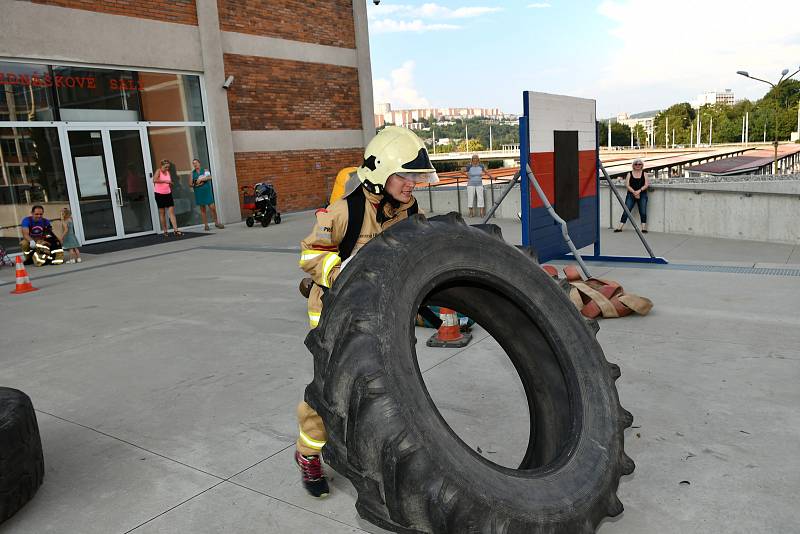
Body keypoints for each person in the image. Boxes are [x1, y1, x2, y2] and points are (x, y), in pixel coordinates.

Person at [295, 126, 438, 498]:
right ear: (380, 173)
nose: (412, 184)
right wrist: (342, 275)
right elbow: (310, 256)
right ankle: (309, 453)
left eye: (416, 177)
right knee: (331, 391)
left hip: (382, 315)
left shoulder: (408, 211)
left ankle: (375, 452)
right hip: (333, 315)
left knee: (384, 389)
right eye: (405, 175)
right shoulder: (344, 212)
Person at [615, 159, 650, 233]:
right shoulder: (629, 174)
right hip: (631, 194)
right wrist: (634, 192)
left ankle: (644, 228)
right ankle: (620, 227)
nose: (638, 165)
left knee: (643, 211)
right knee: (626, 210)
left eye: (639, 164)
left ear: (642, 165)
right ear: (633, 165)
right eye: (636, 164)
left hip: (642, 194)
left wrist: (639, 191)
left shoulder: (644, 174)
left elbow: (646, 184)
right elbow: (627, 185)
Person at [190, 159, 224, 231]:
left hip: (207, 191)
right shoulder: (192, 173)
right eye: (193, 163)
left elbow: (210, 177)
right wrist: (196, 183)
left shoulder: (205, 170)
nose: (195, 164)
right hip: (198, 192)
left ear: (199, 163)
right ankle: (206, 225)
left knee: (212, 208)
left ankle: (216, 222)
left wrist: (202, 179)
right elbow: (190, 184)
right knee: (202, 209)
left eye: (196, 163)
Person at [153, 159, 182, 237]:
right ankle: (165, 231)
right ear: (161, 166)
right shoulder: (158, 171)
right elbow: (154, 180)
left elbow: (168, 182)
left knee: (171, 212)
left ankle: (176, 230)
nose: (167, 169)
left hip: (168, 193)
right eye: (165, 167)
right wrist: (165, 181)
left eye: (168, 167)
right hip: (159, 194)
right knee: (162, 213)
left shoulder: (168, 172)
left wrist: (170, 183)